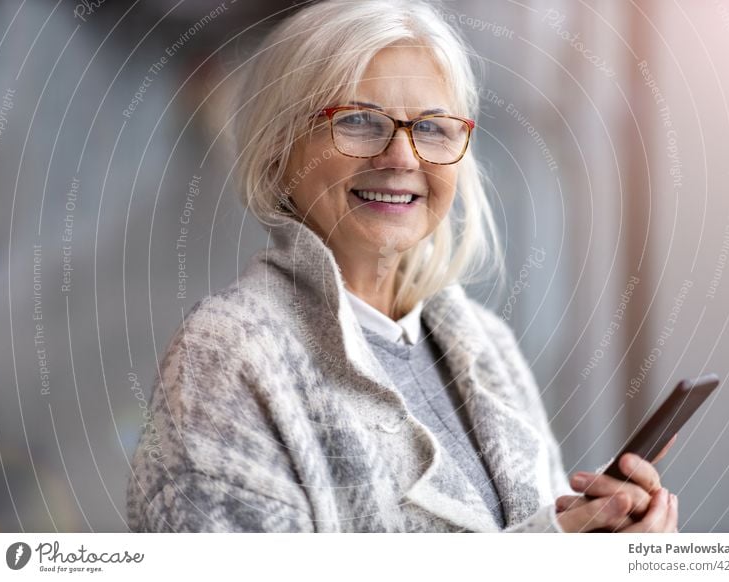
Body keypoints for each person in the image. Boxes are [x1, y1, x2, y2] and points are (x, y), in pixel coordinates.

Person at [126, 0, 677, 533]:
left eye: (434, 127)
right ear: (279, 147)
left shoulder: (488, 347)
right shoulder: (227, 354)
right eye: (361, 121)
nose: (403, 158)